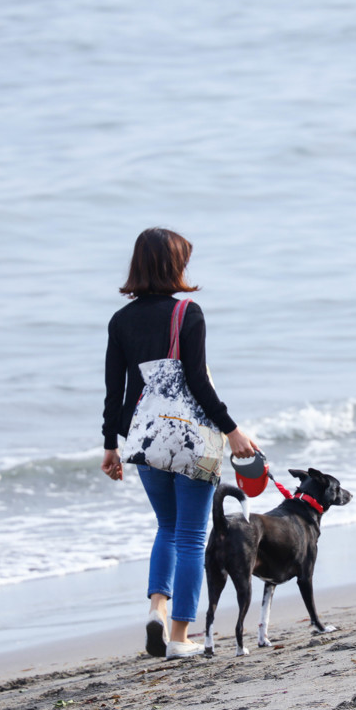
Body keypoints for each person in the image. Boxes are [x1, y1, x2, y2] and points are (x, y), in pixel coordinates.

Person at [101, 227, 257, 660]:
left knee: (166, 529)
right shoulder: (188, 313)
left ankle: (157, 608)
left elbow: (116, 390)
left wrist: (110, 444)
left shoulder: (120, 320)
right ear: (175, 266)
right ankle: (179, 637)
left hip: (145, 437)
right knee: (191, 536)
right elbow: (197, 386)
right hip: (191, 440)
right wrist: (233, 431)